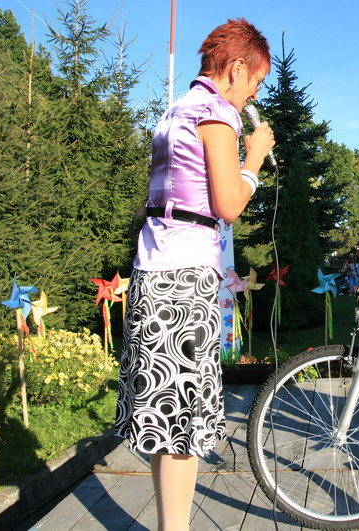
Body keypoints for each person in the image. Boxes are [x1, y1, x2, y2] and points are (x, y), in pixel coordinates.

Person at [114, 19, 274, 530]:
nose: (254, 92)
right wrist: (254, 159)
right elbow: (228, 205)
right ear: (237, 67)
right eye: (256, 81)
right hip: (185, 280)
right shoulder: (216, 113)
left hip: (153, 271)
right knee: (181, 426)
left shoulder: (177, 109)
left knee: (163, 423)